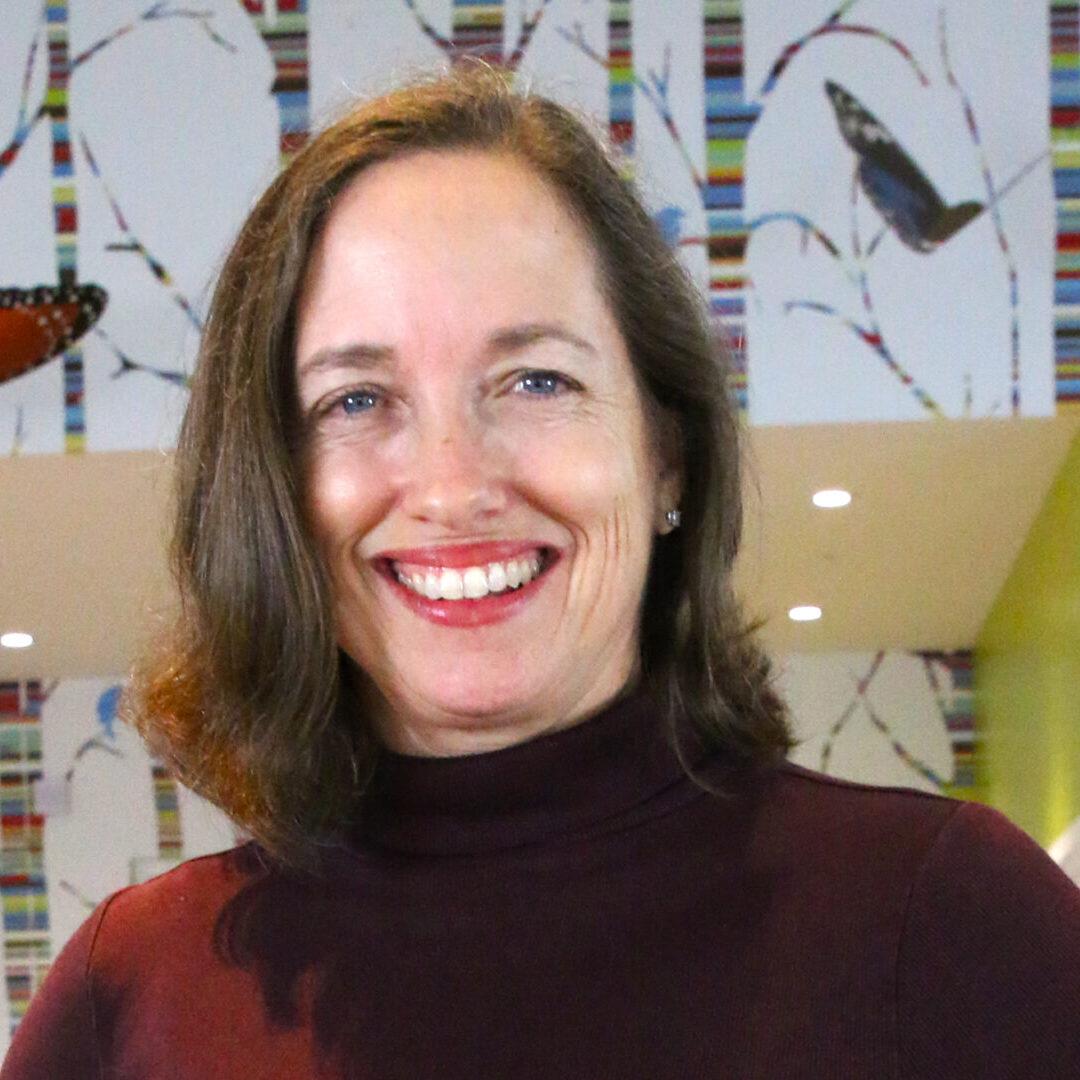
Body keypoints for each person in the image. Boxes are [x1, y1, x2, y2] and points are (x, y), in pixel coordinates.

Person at [5, 66, 1079, 1080]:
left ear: (666, 449)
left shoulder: (940, 922)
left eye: (534, 380)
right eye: (357, 400)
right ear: (273, 485)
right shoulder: (129, 999)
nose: (452, 484)